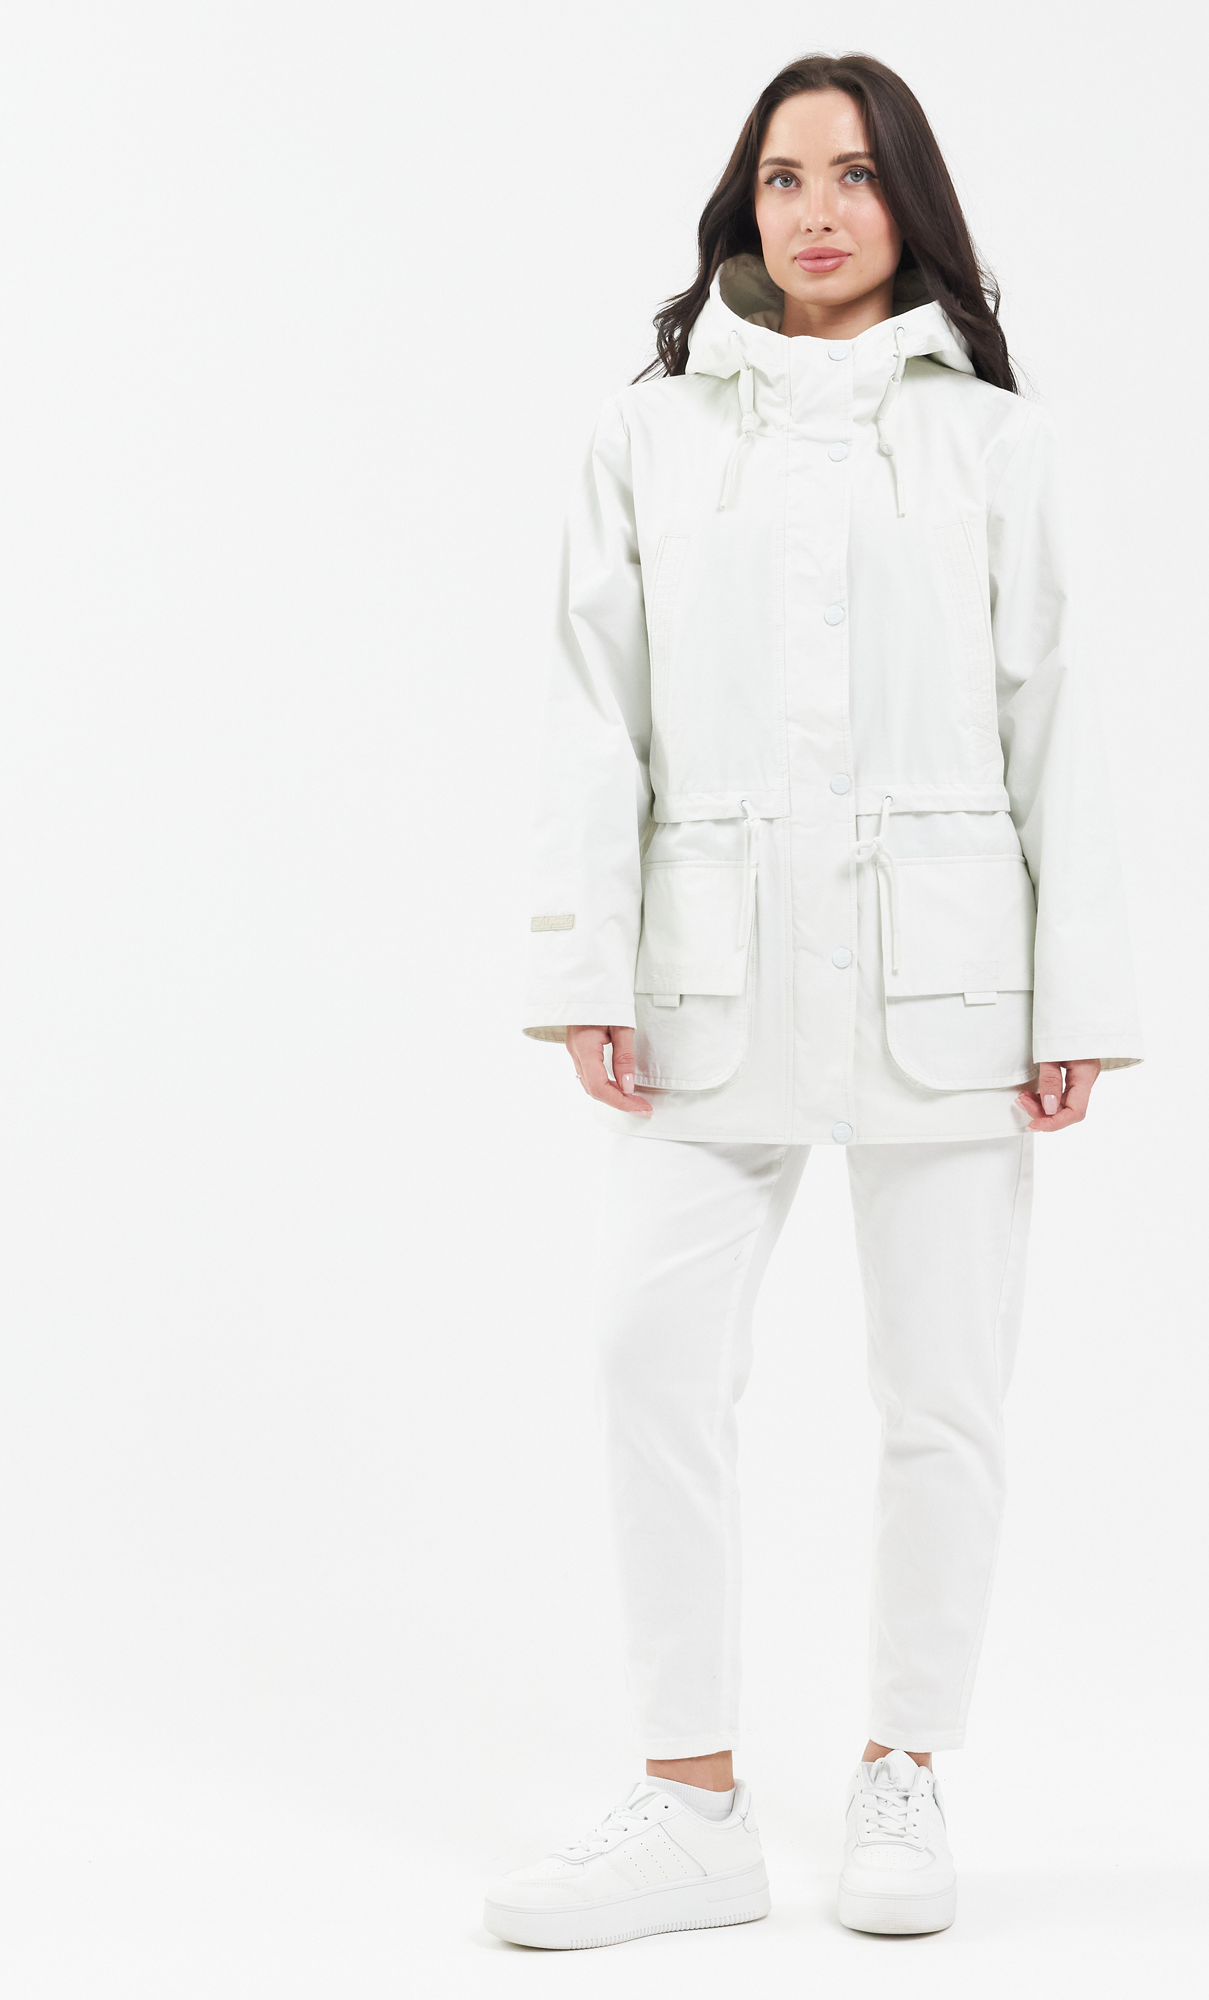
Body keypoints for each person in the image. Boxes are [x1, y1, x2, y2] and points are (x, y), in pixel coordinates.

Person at [486, 52, 1142, 1948]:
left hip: (951, 975)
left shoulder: (994, 445)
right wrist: (585, 963)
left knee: (943, 1396)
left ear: (905, 199)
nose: (818, 210)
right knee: (649, 1355)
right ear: (743, 205)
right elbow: (591, 713)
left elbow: (1059, 716)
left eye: (853, 174)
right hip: (711, 975)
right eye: (783, 177)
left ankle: (903, 1768)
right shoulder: (647, 437)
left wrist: (1076, 992)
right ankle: (693, 1803)